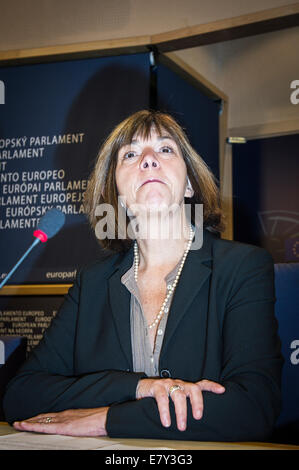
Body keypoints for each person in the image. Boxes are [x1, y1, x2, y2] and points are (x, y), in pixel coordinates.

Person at [3, 110, 282, 441]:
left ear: (190, 183)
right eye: (131, 154)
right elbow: (21, 396)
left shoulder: (242, 267)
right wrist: (139, 388)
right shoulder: (91, 283)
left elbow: (254, 407)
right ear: (117, 192)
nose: (149, 160)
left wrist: (108, 418)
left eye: (165, 149)